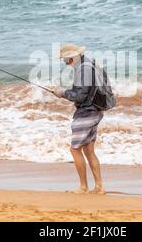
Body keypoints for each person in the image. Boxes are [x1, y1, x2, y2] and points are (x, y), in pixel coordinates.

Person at [53, 43, 106, 195]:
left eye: (65, 59)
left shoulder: (83, 69)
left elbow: (81, 95)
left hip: (87, 111)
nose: (64, 62)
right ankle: (99, 187)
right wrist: (64, 92)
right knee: (89, 150)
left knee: (75, 149)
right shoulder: (90, 64)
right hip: (96, 110)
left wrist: (62, 93)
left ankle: (84, 188)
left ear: (72, 57)